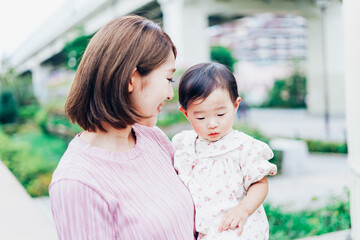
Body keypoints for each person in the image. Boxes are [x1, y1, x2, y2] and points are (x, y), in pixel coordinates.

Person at [49, 15, 195, 239]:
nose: (169, 94)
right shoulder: (77, 183)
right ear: (131, 79)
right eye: (168, 79)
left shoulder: (152, 138)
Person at [172, 62, 277, 240]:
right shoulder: (185, 145)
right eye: (201, 117)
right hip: (205, 229)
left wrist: (243, 209)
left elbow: (259, 183)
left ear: (236, 105)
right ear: (186, 113)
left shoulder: (243, 146)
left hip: (237, 227)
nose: (212, 123)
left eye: (221, 114)